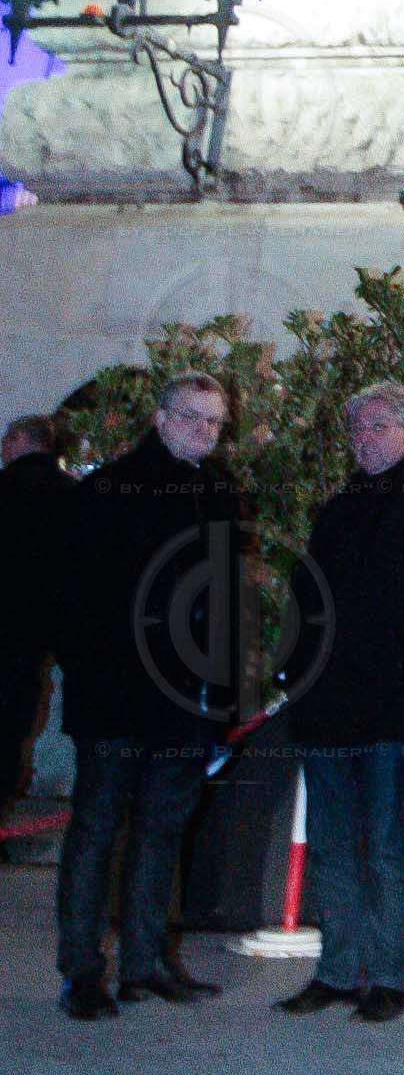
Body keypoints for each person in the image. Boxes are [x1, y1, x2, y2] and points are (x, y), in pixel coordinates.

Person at [276, 380, 404, 1023]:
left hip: (393, 703)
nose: (366, 441)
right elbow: (303, 601)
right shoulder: (336, 509)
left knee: (391, 844)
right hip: (324, 704)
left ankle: (389, 974)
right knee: (334, 842)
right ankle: (337, 969)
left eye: (378, 428)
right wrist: (291, 673)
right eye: (358, 431)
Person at [52, 373, 246, 1020]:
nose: (205, 432)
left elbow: (224, 606)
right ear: (160, 418)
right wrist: (92, 677)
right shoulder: (107, 489)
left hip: (186, 703)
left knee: (162, 833)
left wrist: (221, 702)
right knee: (97, 832)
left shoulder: (217, 492)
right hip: (113, 697)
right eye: (193, 418)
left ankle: (145, 963)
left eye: (216, 422)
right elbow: (73, 602)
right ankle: (82, 970)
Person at [0, 416, 68, 843]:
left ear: (22, 441)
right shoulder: (73, 496)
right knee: (14, 725)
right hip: (40, 632)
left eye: (6, 439)